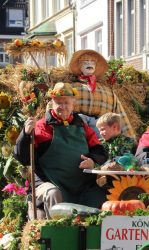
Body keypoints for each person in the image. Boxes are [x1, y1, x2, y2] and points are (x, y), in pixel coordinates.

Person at [14, 82, 108, 219]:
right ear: (52, 104)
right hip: (49, 183)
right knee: (53, 193)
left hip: (82, 186)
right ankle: (57, 233)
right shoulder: (40, 127)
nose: (63, 107)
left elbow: (100, 151)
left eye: (66, 103)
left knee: (101, 196)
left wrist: (92, 160)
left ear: (73, 104)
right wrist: (25, 134)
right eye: (59, 103)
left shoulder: (82, 126)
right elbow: (22, 158)